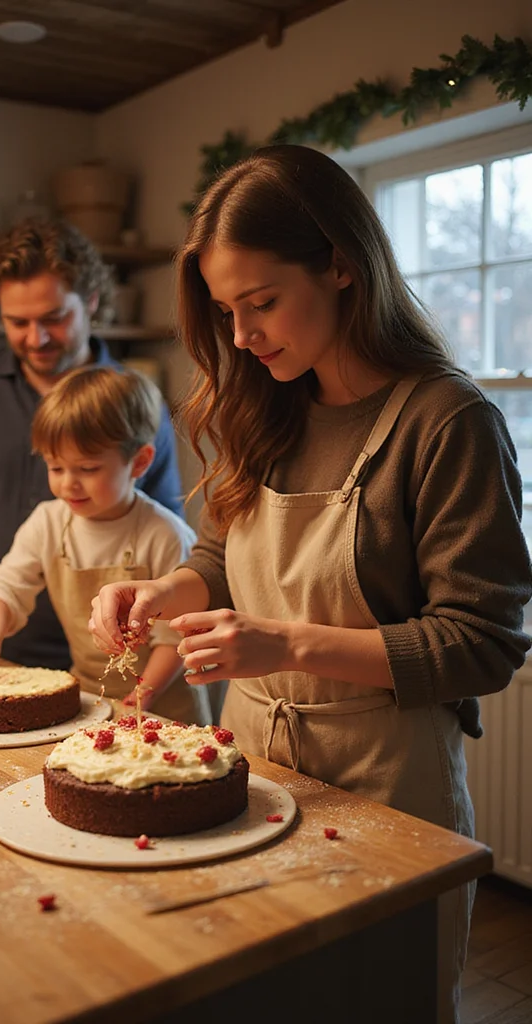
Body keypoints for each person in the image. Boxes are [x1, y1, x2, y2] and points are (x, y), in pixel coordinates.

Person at [88, 145, 532, 1024]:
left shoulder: (447, 422)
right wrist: (163, 592)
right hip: (254, 761)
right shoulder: (266, 402)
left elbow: (482, 643)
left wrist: (282, 642)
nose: (244, 336)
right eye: (227, 311)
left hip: (388, 781)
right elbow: (218, 558)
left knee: (376, 997)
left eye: (262, 303)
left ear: (340, 264)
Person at [0, 217, 184, 669]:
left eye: (54, 318)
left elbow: (165, 526)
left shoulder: (137, 403)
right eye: (17, 322)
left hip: (118, 659)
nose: (36, 338)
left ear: (91, 302)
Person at [0, 365, 209, 725]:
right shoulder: (48, 522)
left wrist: (141, 694)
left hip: (166, 706)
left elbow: (176, 639)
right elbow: (7, 586)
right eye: (56, 468)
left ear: (139, 461)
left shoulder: (164, 534)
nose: (69, 485)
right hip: (90, 699)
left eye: (88, 469)